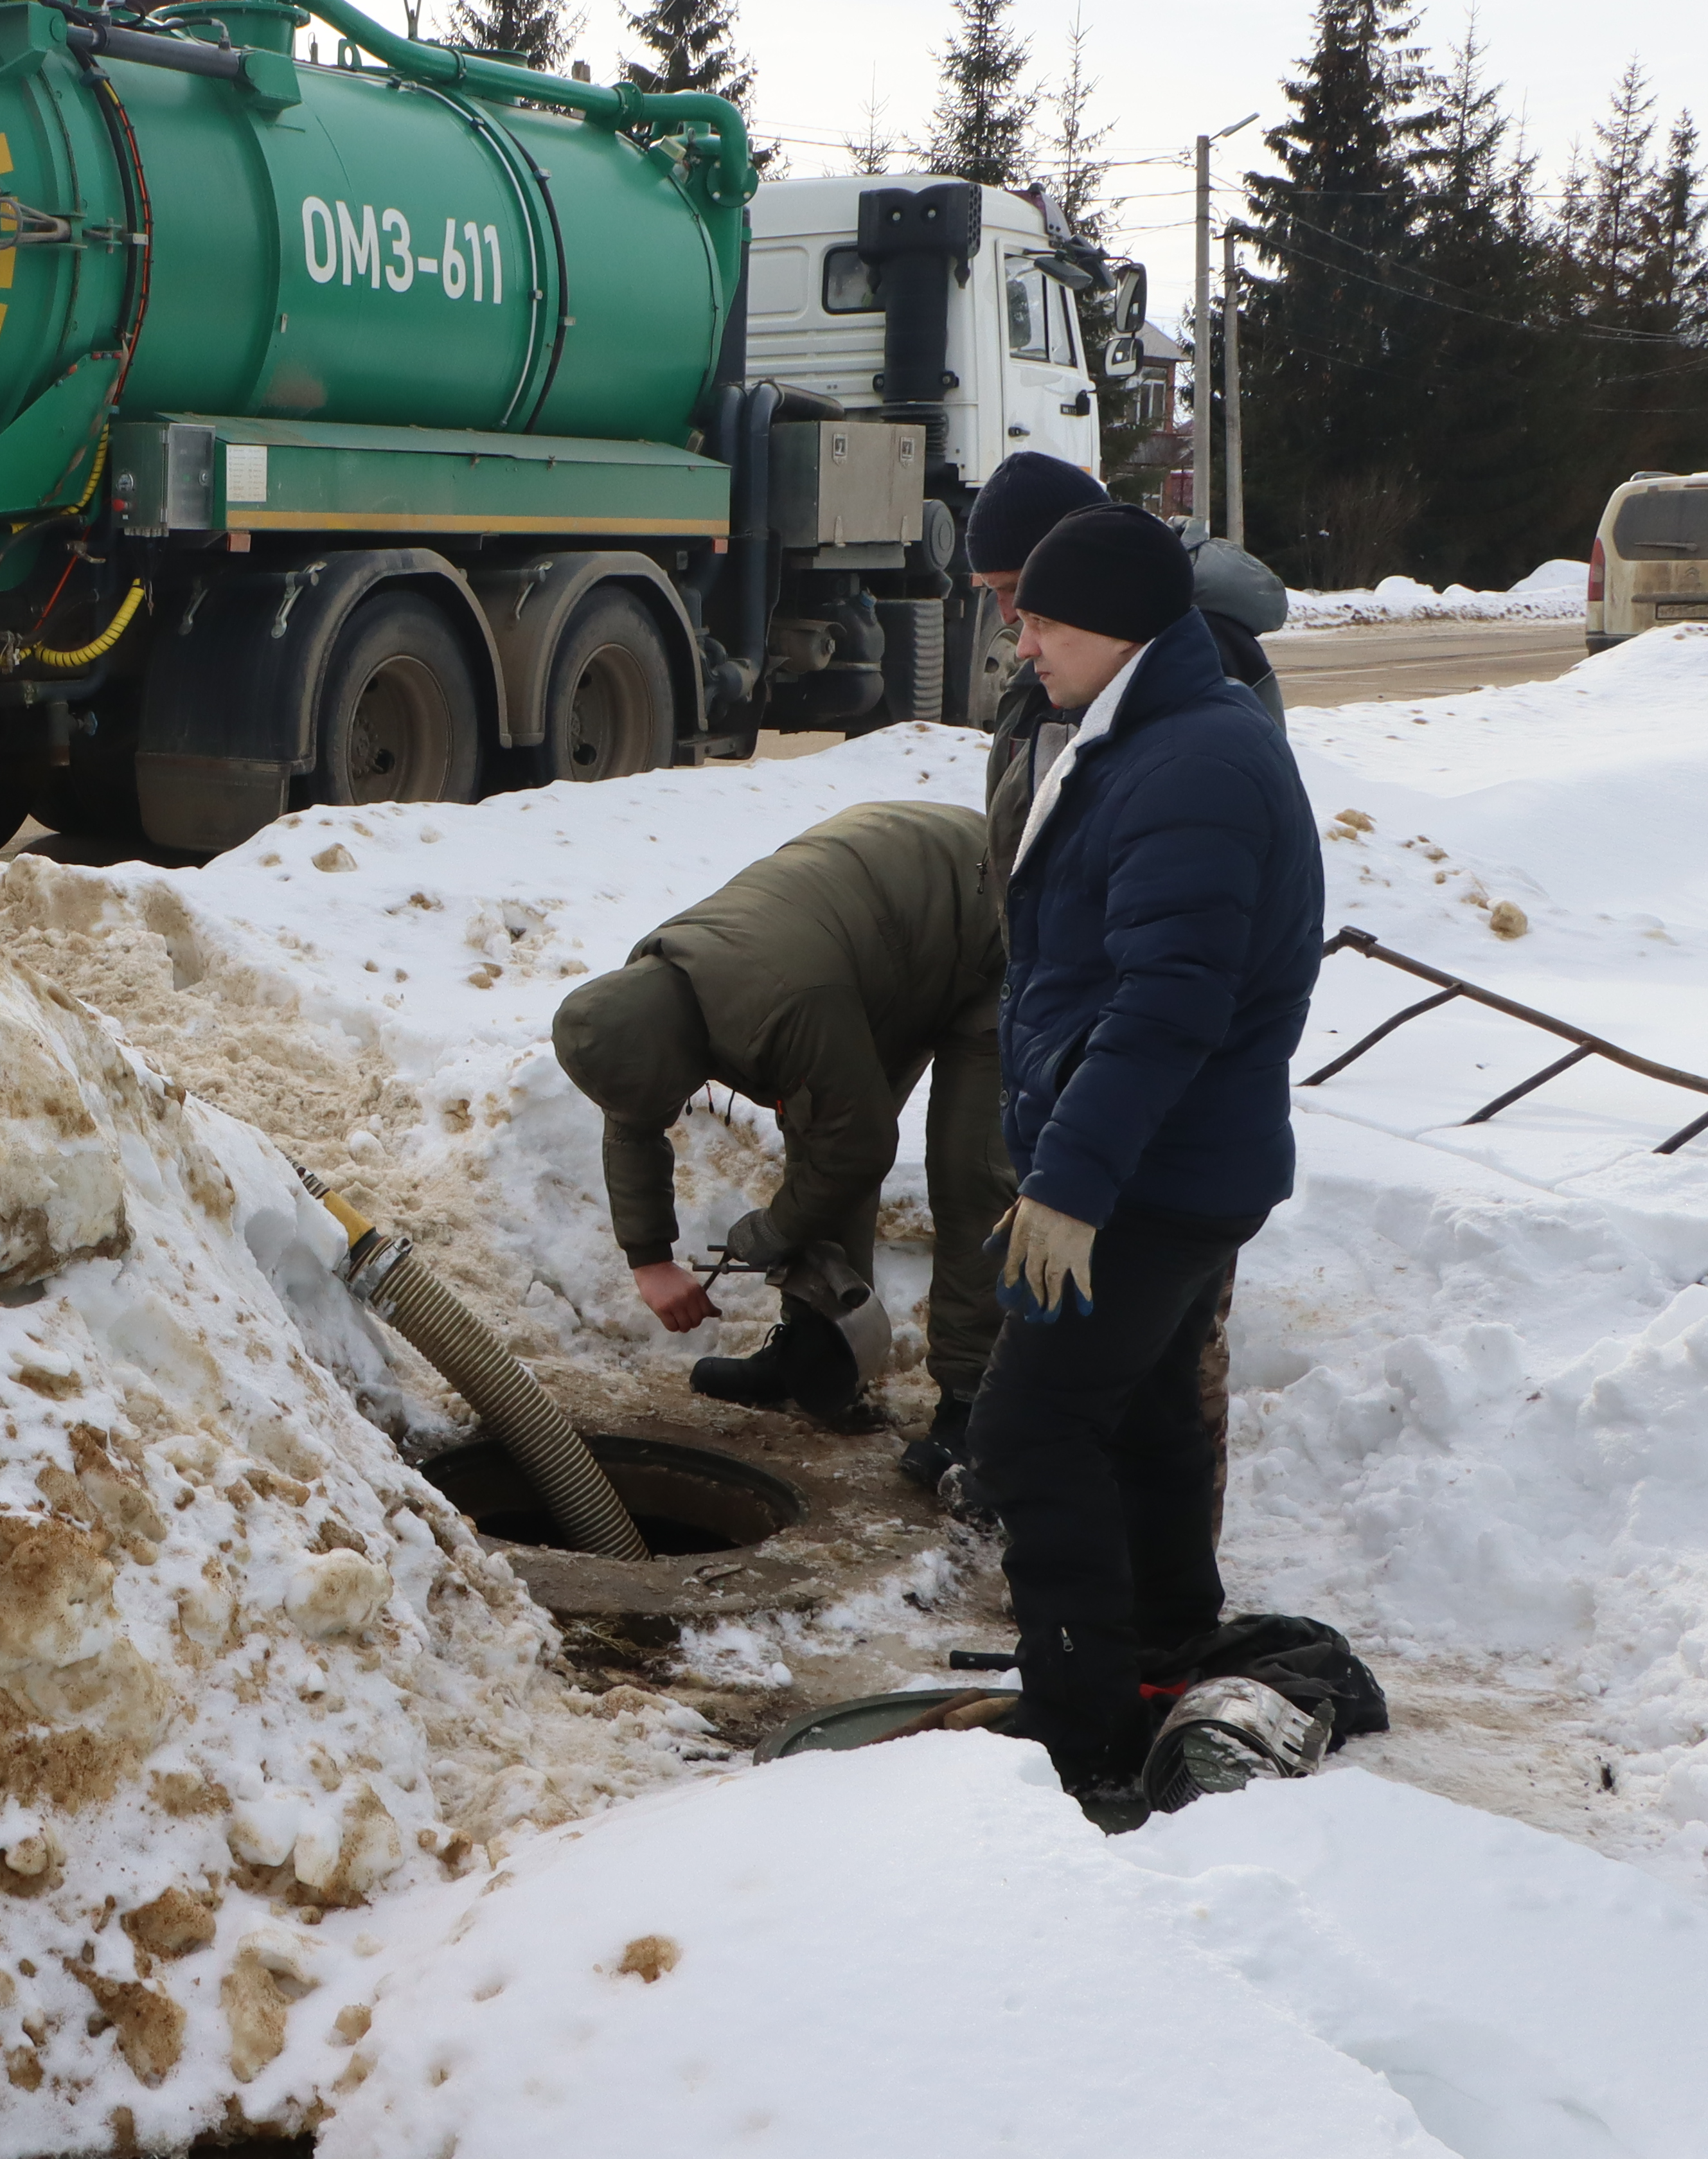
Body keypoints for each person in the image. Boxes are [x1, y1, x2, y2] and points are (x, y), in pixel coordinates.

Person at [973, 502, 1322, 1795]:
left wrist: (1067, 1187)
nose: (1022, 645)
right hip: (1167, 1162)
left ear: (1117, 628)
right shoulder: (1150, 734)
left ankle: (1078, 1726)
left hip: (1150, 1174)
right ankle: (1159, 1653)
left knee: (1028, 1428)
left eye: (1042, 621)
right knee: (1138, 1414)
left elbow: (1165, 1002)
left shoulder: (1191, 764)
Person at [949, 451, 1297, 1509]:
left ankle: (1132, 1619)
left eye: (1022, 601)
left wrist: (1084, 1160)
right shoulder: (1057, 684)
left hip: (1157, 1121)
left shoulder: (1193, 719)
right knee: (1115, 1404)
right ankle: (1143, 1614)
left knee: (1159, 1390)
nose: (1014, 629)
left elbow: (1182, 965)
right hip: (1089, 1085)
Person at [548, 801, 1013, 1428]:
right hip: (877, 935)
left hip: (988, 911)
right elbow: (631, 1110)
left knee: (969, 1167)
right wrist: (648, 1257)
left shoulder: (784, 1005)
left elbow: (857, 1148)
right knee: (822, 1135)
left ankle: (973, 1406)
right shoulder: (642, 1001)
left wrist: (774, 1230)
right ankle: (820, 1357)